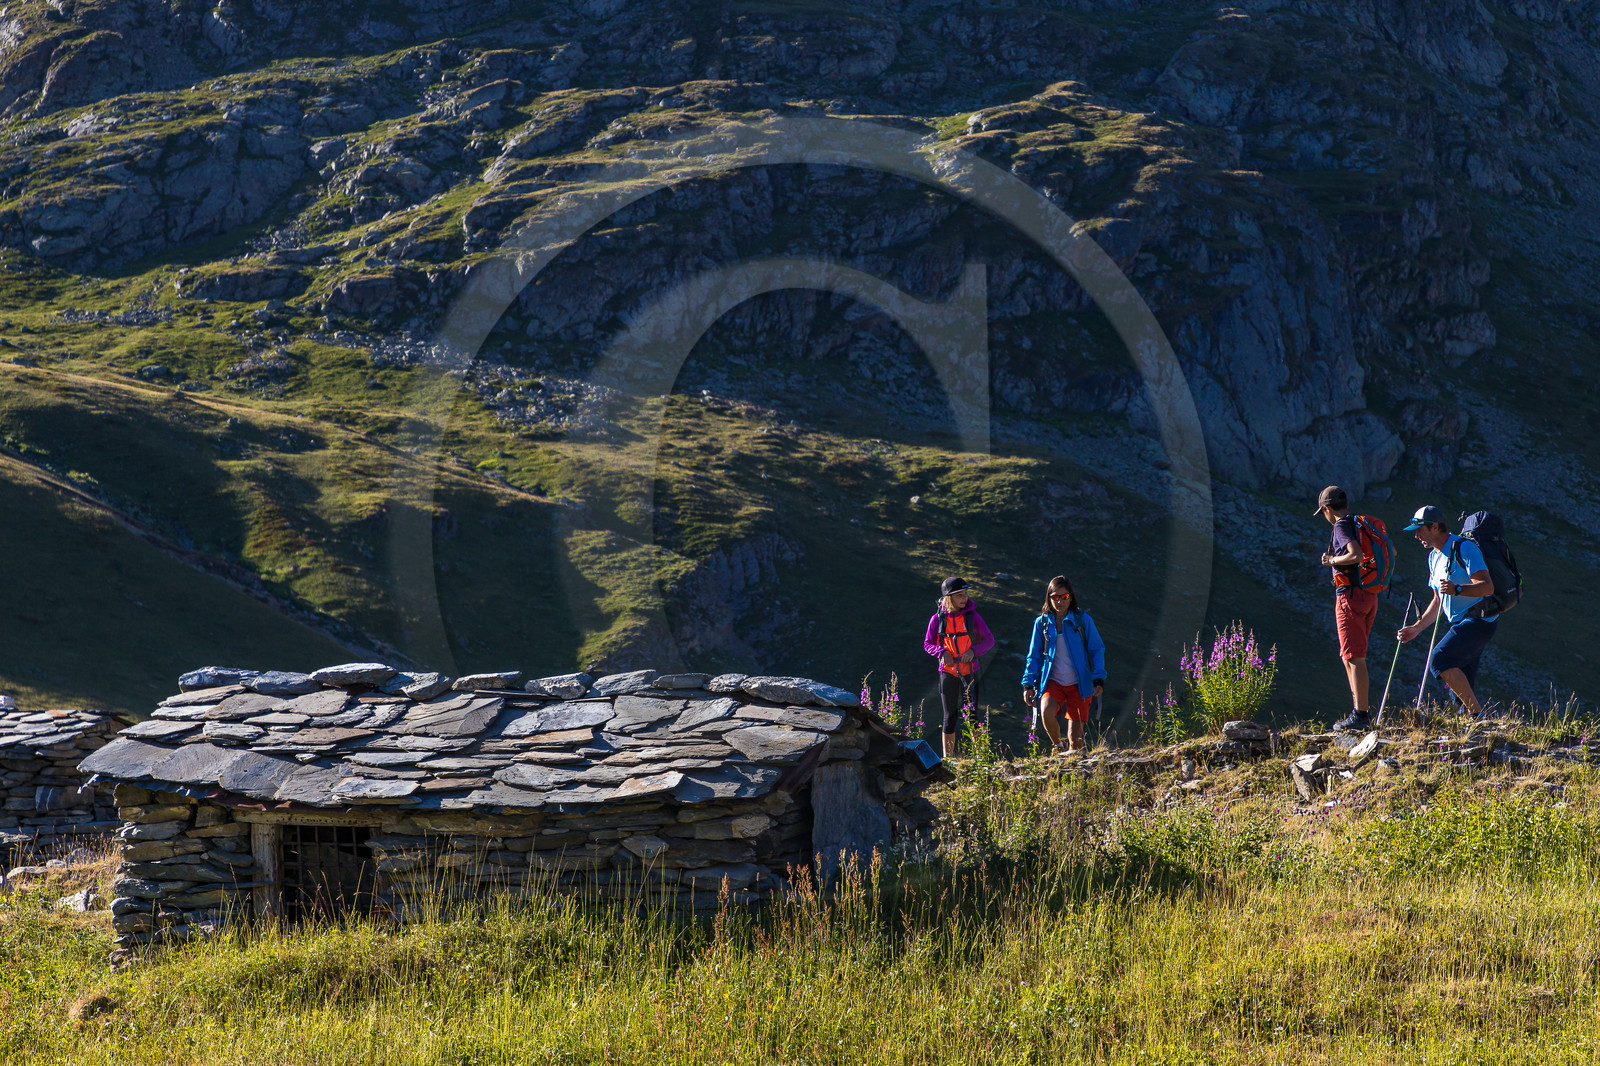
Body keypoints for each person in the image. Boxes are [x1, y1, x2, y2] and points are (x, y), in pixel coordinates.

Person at [1396, 505, 1496, 716]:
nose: (1416, 536)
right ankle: (1470, 724)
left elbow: (1487, 586)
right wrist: (1416, 628)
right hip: (1462, 621)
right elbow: (1438, 600)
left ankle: (1478, 717)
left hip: (1479, 620)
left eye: (1419, 530)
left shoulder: (1464, 548)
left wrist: (1457, 589)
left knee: (1440, 659)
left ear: (1434, 527)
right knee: (1461, 682)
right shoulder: (1434, 557)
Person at [1315, 485, 1378, 732]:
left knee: (1354, 656)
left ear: (1327, 508)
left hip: (1350, 596)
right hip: (1369, 595)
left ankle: (1360, 715)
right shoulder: (1360, 524)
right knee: (1351, 654)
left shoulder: (1340, 526)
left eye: (1323, 512)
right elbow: (1390, 551)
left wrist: (1331, 560)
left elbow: (1356, 554)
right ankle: (1357, 712)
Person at [1020, 575, 1106, 756]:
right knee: (1046, 713)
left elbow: (1096, 649)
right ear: (1049, 597)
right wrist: (1028, 684)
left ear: (1071, 597)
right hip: (1053, 682)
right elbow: (1033, 656)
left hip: (1079, 684)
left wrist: (1098, 677)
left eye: (1064, 597)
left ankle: (1073, 772)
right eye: (1055, 597)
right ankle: (1058, 747)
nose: (1059, 601)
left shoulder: (1083, 621)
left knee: (1076, 741)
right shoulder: (1042, 623)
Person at [922, 577, 996, 758]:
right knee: (949, 717)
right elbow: (928, 643)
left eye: (965, 594)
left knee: (972, 716)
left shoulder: (973, 617)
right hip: (947, 672)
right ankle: (949, 759)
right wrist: (941, 653)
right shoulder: (937, 619)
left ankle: (980, 757)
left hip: (970, 672)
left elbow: (989, 640)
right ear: (949, 598)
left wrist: (973, 651)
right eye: (960, 595)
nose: (965, 598)